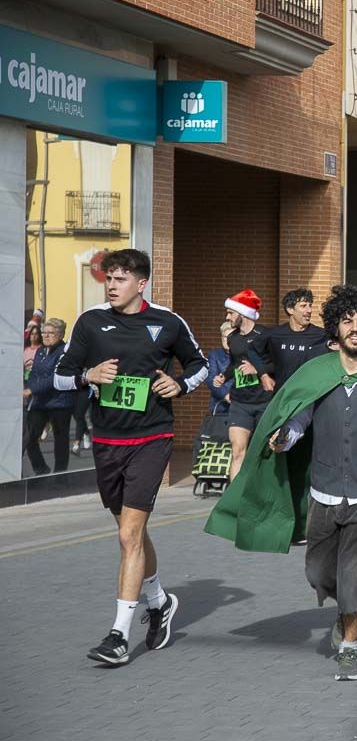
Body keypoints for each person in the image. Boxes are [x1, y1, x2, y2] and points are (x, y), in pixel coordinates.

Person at [205, 284, 357, 682]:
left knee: (354, 569)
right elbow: (298, 417)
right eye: (347, 321)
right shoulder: (315, 373)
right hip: (324, 491)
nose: (355, 328)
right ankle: (342, 609)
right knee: (318, 572)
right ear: (335, 328)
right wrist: (285, 438)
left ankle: (350, 644)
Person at [53, 248, 207, 665]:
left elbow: (201, 365)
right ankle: (159, 602)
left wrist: (180, 385)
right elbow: (57, 375)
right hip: (107, 441)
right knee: (130, 532)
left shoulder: (167, 322)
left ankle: (118, 635)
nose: (111, 285)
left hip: (152, 437)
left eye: (120, 279)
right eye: (109, 278)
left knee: (128, 536)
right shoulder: (90, 322)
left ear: (141, 283)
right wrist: (88, 376)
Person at [213, 289, 275, 480]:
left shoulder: (265, 335)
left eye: (231, 313)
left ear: (243, 314)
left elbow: (278, 364)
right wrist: (225, 376)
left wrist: (258, 370)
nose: (227, 316)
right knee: (238, 451)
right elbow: (235, 363)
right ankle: (235, 502)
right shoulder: (233, 338)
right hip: (240, 402)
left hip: (264, 402)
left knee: (265, 454)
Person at [24, 318, 74, 474]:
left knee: (60, 440)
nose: (45, 336)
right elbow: (33, 374)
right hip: (40, 403)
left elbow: (55, 378)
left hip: (59, 403)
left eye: (50, 333)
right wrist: (30, 388)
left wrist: (33, 390)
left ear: (59, 334)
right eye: (44, 332)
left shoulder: (65, 351)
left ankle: (60, 475)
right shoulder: (40, 351)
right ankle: (41, 470)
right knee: (29, 438)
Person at [266, 288, 329, 388]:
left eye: (310, 306)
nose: (309, 310)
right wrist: (263, 375)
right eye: (303, 306)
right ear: (290, 309)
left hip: (309, 397)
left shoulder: (322, 335)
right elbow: (255, 353)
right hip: (282, 396)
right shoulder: (274, 334)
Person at [206, 321, 234, 415]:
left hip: (242, 404)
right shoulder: (214, 355)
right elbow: (210, 379)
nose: (227, 340)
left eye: (230, 337)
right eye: (224, 337)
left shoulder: (243, 355)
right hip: (220, 407)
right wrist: (226, 394)